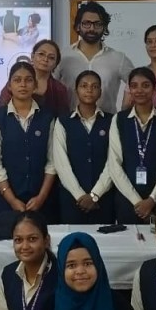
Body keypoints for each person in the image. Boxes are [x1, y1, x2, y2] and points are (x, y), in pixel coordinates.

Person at [0, 62, 59, 222]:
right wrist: (12, 200)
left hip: (42, 201)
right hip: (6, 201)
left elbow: (52, 162)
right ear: (9, 86)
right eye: (17, 80)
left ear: (35, 85)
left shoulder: (48, 117)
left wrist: (41, 197)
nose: (23, 84)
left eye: (28, 80)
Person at [104, 68, 156, 225]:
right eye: (134, 86)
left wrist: (152, 199)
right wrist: (137, 202)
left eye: (145, 85)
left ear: (155, 89)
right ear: (129, 89)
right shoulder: (119, 119)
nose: (139, 90)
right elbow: (114, 164)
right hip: (127, 200)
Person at [52, 70, 115, 225]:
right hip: (72, 199)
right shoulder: (63, 122)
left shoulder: (112, 121)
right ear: (76, 90)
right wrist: (80, 195)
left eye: (94, 86)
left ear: (100, 91)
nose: (89, 90)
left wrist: (95, 195)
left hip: (104, 198)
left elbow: (113, 161)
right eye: (84, 86)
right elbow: (61, 164)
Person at [55, 1, 134, 114]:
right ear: (78, 26)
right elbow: (48, 85)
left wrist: (124, 112)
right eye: (86, 23)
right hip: (70, 121)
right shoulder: (63, 56)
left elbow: (137, 83)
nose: (92, 28)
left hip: (107, 122)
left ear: (104, 27)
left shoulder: (118, 58)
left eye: (98, 24)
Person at [0, 39, 72, 118]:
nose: (45, 59)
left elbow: (63, 118)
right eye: (41, 54)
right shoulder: (16, 81)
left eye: (51, 57)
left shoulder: (59, 89)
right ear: (32, 56)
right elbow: (2, 110)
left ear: (56, 63)